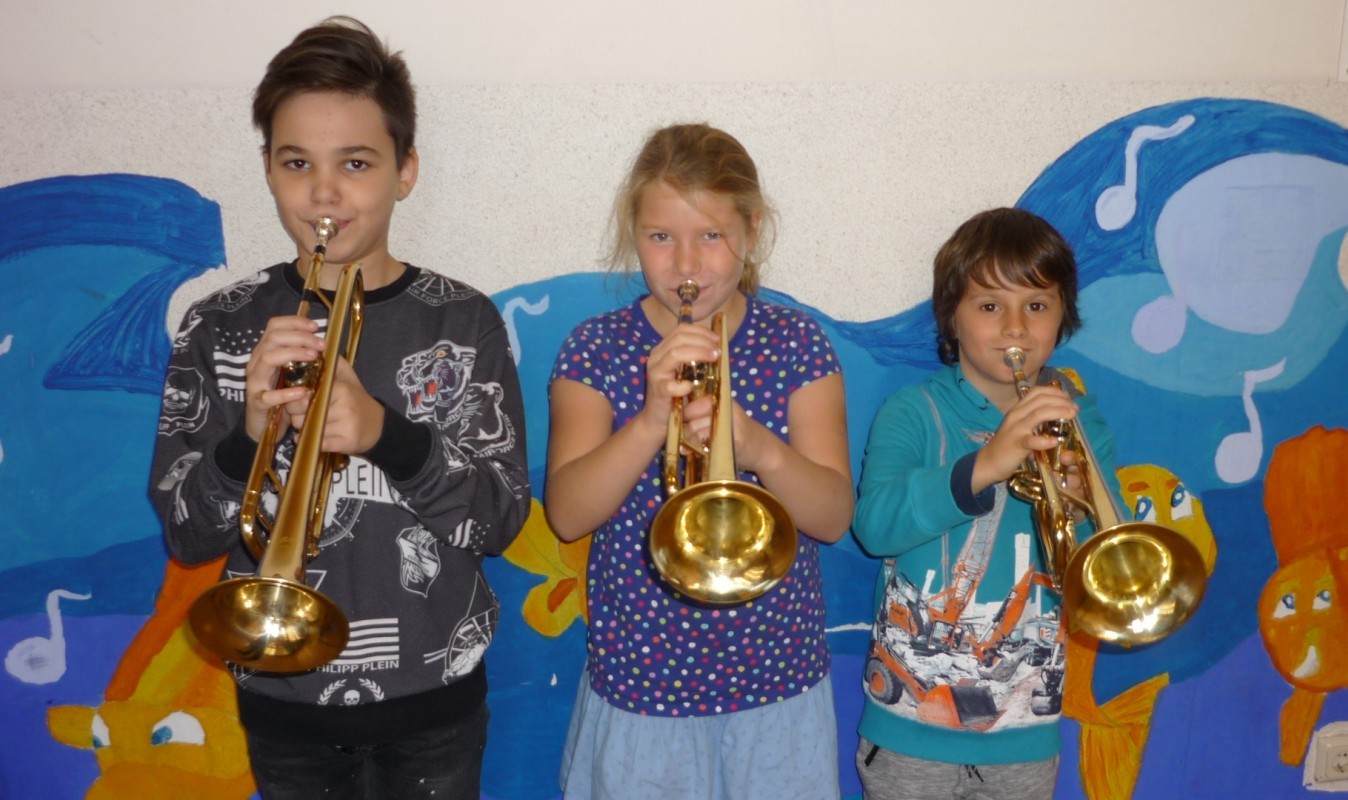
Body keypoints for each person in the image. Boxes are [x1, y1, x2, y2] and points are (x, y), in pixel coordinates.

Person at [148, 16, 530, 800]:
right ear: (268, 170)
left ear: (405, 171)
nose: (324, 192)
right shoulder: (218, 325)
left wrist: (388, 435)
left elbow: (499, 521)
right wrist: (247, 437)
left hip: (434, 699)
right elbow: (187, 535)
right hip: (280, 700)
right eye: (298, 163)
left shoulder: (463, 321)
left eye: (355, 162)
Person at [545, 123, 854, 799]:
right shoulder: (595, 348)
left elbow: (833, 518)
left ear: (752, 228)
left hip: (778, 683)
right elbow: (567, 515)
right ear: (634, 236)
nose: (686, 265)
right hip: (641, 685)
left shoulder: (796, 343)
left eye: (711, 235)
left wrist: (757, 445)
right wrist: (649, 420)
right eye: (661, 237)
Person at [851, 207, 1120, 799]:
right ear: (951, 317)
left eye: (1037, 305)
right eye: (990, 306)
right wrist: (986, 465)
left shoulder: (1077, 418)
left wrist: (1079, 502)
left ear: (1064, 317)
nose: (1016, 328)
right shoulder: (914, 411)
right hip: (908, 733)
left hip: (1026, 736)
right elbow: (874, 526)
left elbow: (1112, 568)